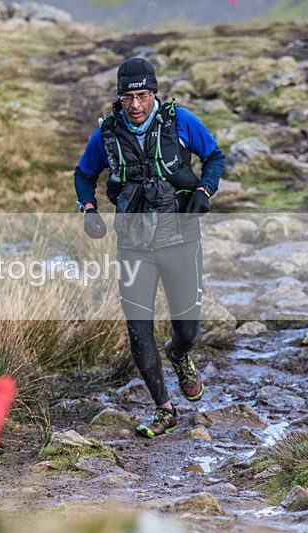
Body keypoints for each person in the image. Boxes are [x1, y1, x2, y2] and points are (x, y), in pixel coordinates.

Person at [73, 58, 225, 438]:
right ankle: (164, 408)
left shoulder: (181, 121)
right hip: (134, 245)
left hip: (181, 240)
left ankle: (178, 354)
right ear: (120, 98)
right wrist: (88, 208)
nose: (136, 105)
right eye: (128, 97)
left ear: (154, 93)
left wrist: (205, 190)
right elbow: (83, 174)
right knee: (138, 329)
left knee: (188, 333)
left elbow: (214, 157)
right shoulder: (107, 134)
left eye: (142, 95)